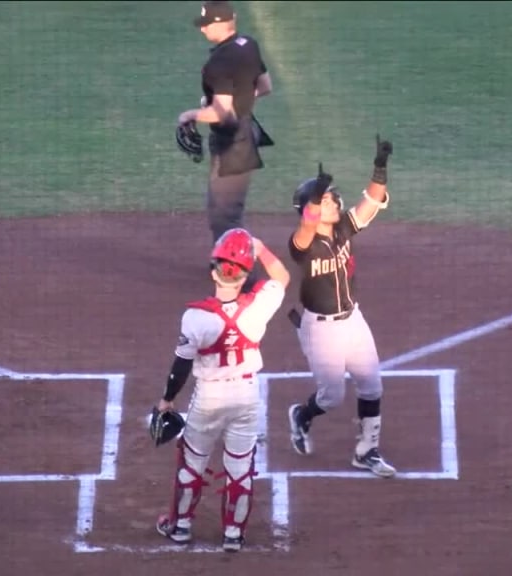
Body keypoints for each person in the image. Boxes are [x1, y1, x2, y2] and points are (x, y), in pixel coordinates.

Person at [154, 227, 291, 552]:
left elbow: (181, 366)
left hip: (209, 399)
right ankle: (233, 535)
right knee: (240, 466)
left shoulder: (195, 317)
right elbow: (282, 276)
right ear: (244, 275)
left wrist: (167, 400)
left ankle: (181, 526)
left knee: (192, 462)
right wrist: (259, 247)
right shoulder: (259, 305)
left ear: (213, 269)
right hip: (246, 397)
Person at [284, 135, 397, 479]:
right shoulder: (302, 244)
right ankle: (302, 415)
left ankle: (367, 451)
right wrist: (316, 198)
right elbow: (305, 225)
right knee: (332, 397)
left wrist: (379, 168)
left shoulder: (344, 228)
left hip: (353, 319)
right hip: (320, 329)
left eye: (332, 198)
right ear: (312, 207)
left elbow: (372, 202)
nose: (335, 201)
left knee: (372, 386)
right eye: (328, 199)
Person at [178, 0, 274, 290]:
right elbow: (265, 86)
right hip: (245, 132)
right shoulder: (248, 44)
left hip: (232, 143)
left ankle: (242, 279)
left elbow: (220, 114)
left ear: (222, 23)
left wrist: (190, 115)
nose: (203, 28)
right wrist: (240, 103)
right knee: (224, 209)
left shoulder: (218, 63)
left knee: (224, 214)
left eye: (207, 23)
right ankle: (227, 260)